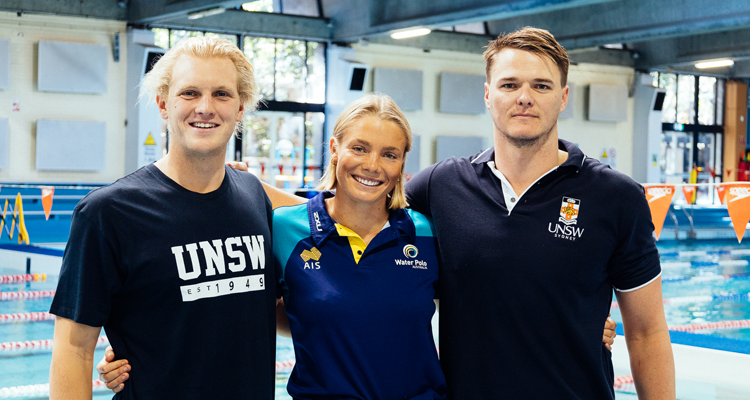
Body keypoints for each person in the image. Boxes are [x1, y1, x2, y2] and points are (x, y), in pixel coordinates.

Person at [97, 94, 619, 399]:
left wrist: (577, 317)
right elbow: (222, 291)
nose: (373, 165)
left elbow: (499, 276)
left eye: (389, 154)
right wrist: (138, 351)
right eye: (360, 148)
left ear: (403, 164)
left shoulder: (427, 228)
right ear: (336, 148)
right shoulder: (284, 227)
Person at [404, 27, 675, 399]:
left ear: (563, 98)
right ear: (487, 95)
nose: (524, 98)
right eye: (509, 84)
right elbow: (356, 218)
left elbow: (647, 333)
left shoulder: (617, 198)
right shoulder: (441, 185)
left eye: (541, 86)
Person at [49, 37, 277, 399]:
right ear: (163, 105)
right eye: (189, 93)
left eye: (221, 94)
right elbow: (74, 349)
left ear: (241, 108)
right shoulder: (108, 213)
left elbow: (265, 311)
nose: (205, 107)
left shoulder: (253, 196)